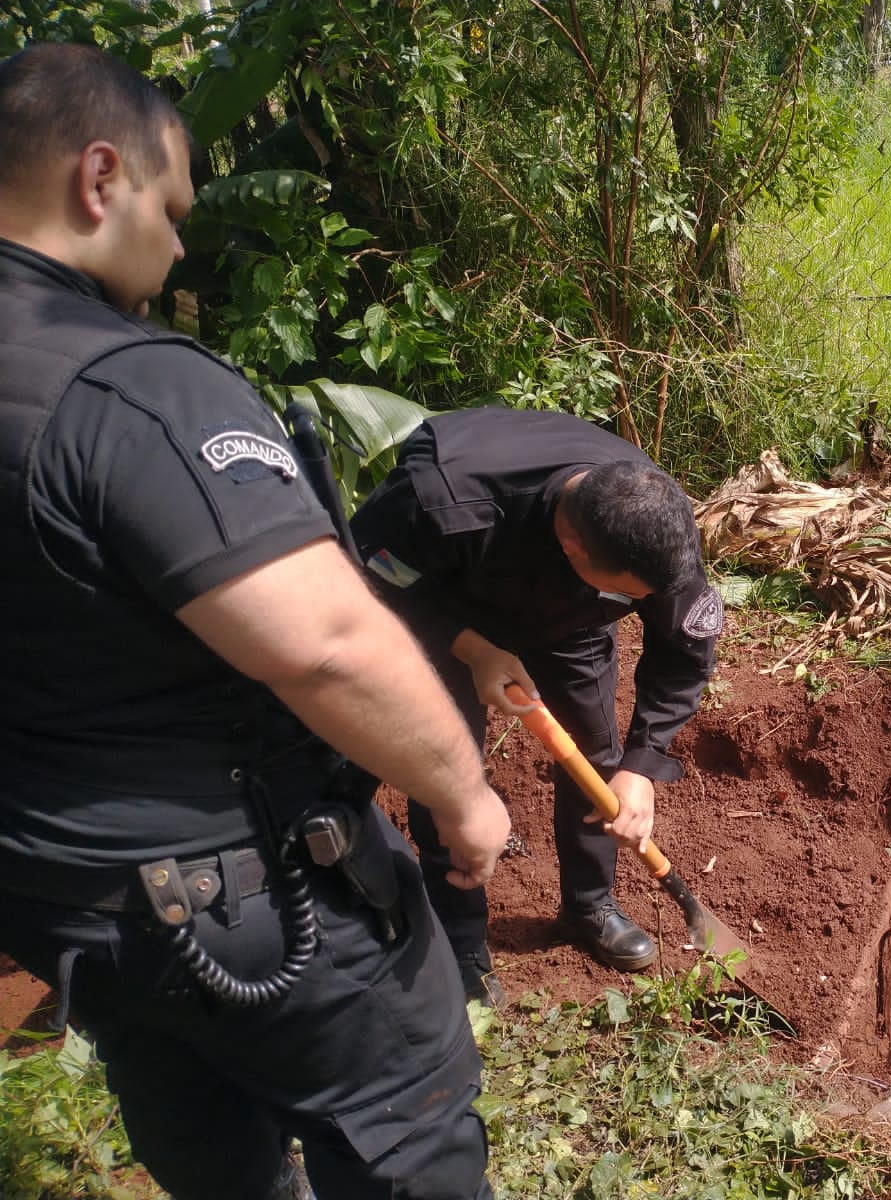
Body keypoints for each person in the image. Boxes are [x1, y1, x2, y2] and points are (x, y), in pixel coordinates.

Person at [0, 43, 512, 1200]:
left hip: (61, 897)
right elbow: (323, 640)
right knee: (405, 1125)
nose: (180, 244)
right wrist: (462, 794)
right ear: (99, 179)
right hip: (245, 897)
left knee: (198, 1128)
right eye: (171, 208)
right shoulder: (131, 388)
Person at [350, 407, 724, 1003]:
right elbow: (372, 568)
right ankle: (461, 934)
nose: (641, 603)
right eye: (627, 595)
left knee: (599, 760)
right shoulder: (440, 499)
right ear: (573, 545)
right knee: (450, 771)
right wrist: (471, 648)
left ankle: (588, 905)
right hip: (453, 604)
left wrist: (642, 765)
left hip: (571, 625)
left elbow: (683, 652)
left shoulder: (653, 530)